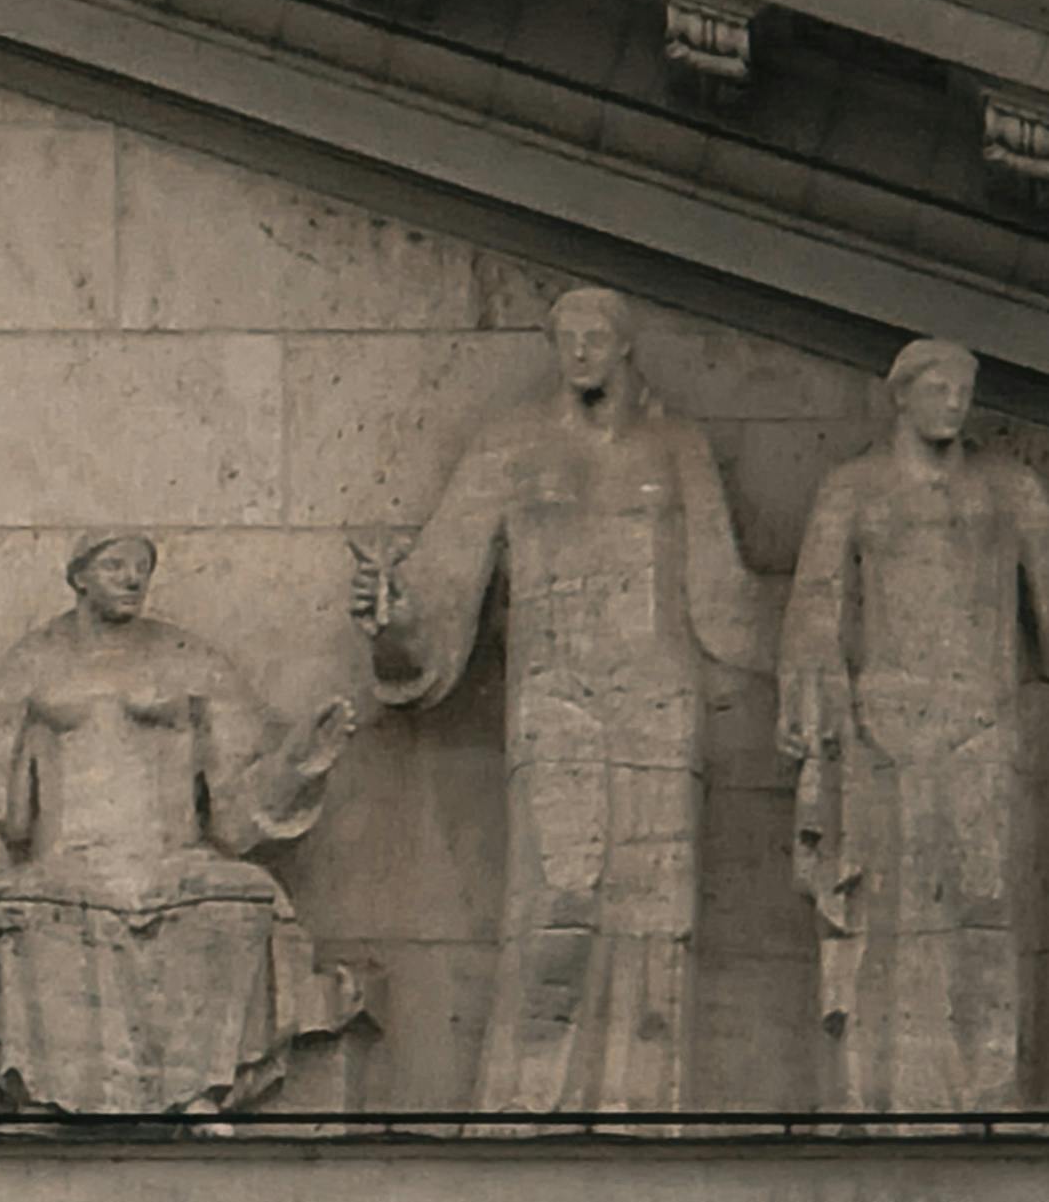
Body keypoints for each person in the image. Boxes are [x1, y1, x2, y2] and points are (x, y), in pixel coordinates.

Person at [359, 288, 776, 1117]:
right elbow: (438, 591)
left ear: (626, 347)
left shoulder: (676, 446)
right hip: (558, 697)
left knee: (658, 918)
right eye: (567, 337)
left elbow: (723, 592)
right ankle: (529, 1109)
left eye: (597, 336)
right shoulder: (510, 446)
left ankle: (642, 1110)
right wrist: (392, 618)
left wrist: (809, 664)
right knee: (560, 900)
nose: (581, 350)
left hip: (660, 703)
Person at [0, 528, 367, 1117]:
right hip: (69, 861)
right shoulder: (35, 661)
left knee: (241, 899)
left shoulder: (192, 662)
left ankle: (199, 1092)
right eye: (116, 566)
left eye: (141, 567)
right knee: (35, 905)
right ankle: (47, 1094)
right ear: (79, 576)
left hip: (174, 860)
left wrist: (300, 760)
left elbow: (237, 810)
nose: (133, 579)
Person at [780, 340, 1049, 1113]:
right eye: (938, 387)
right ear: (901, 395)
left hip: (982, 727)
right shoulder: (854, 489)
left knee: (984, 908)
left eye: (964, 389)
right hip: (883, 730)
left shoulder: (1013, 491)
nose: (954, 402)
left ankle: (986, 1100)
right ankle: (877, 1101)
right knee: (883, 924)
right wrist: (817, 703)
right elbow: (813, 613)